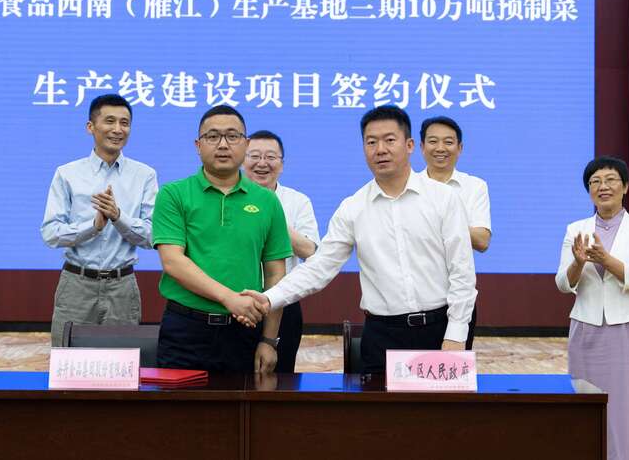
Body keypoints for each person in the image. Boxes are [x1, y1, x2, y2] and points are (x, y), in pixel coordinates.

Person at [243, 106, 476, 374]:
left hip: (440, 329)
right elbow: (319, 267)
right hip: (382, 334)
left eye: (390, 140)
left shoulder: (444, 198)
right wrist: (268, 299)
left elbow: (462, 272)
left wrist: (456, 334)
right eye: (371, 142)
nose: (380, 150)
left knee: (441, 403)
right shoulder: (353, 207)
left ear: (410, 145)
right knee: (376, 402)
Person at [152, 106, 291, 373]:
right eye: (213, 136)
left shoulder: (267, 201)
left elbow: (276, 275)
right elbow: (172, 262)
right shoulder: (174, 194)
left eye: (232, 136)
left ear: (246, 144)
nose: (223, 144)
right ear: (198, 145)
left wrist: (269, 340)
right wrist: (229, 298)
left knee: (241, 401)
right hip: (185, 329)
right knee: (177, 402)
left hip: (244, 330)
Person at [556, 156, 629, 460]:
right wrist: (578, 263)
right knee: (585, 404)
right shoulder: (576, 229)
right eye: (595, 182)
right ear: (589, 191)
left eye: (611, 180)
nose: (603, 186)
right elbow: (562, 283)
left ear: (625, 187)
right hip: (586, 328)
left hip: (626, 328)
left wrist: (606, 260)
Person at [41, 94, 158, 345]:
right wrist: (93, 227)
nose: (118, 129)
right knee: (68, 359)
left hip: (122, 285)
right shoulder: (67, 174)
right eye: (110, 121)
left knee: (123, 362)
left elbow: (152, 237)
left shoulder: (145, 175)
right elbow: (51, 234)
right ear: (90, 127)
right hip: (77, 284)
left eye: (125, 123)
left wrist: (118, 217)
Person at [243, 129, 320, 372]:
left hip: (283, 303)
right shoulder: (227, 198)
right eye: (254, 156)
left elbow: (310, 250)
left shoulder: (298, 201)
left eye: (270, 157)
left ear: (282, 164)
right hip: (238, 302)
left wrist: (272, 217)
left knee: (279, 377)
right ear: (242, 160)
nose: (262, 163)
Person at [418, 116, 490, 350]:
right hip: (413, 299)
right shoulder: (408, 186)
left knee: (451, 368)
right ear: (421, 147)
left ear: (460, 148)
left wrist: (446, 224)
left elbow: (482, 240)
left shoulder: (474, 186)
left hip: (459, 297)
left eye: (448, 142)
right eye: (433, 141)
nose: (440, 148)